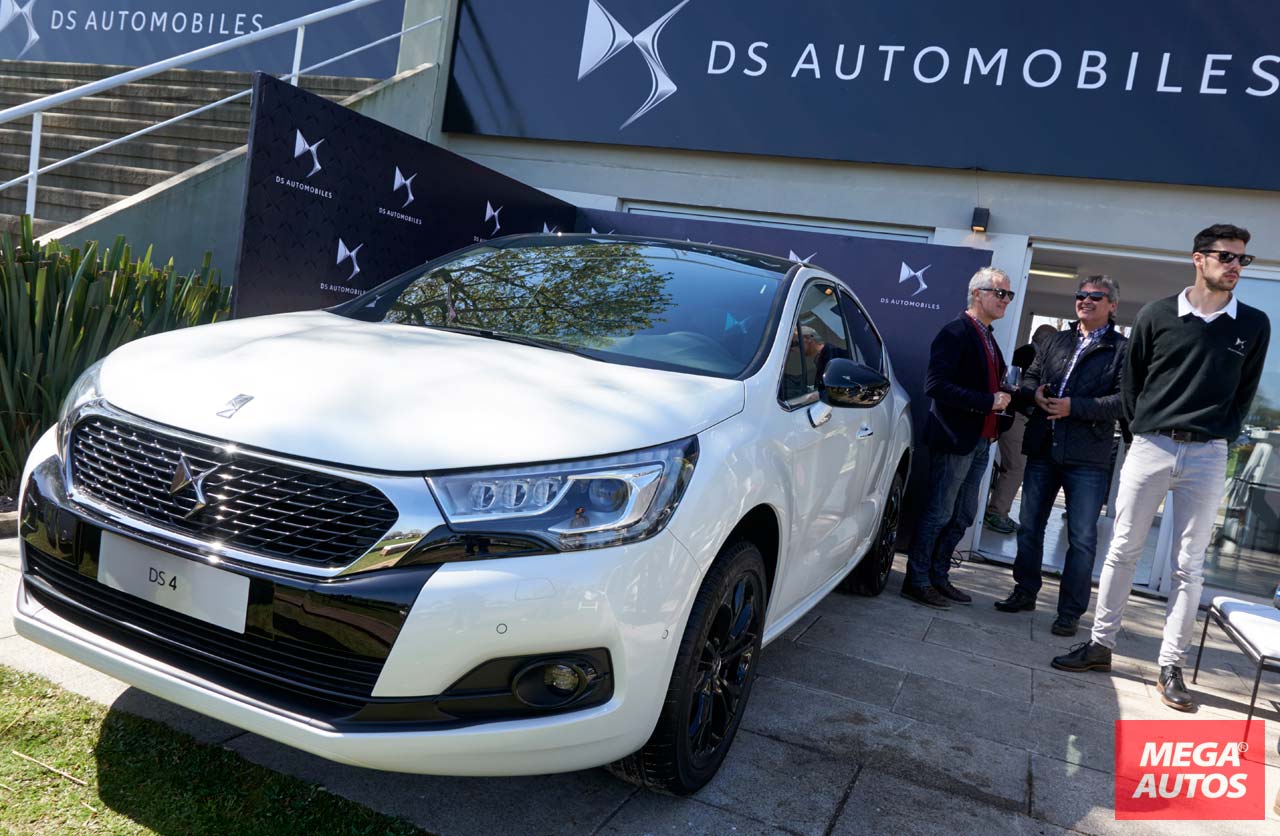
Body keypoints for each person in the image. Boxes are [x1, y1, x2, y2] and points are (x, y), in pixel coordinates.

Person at [1051, 224, 1271, 712]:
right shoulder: (1157, 315)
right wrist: (1143, 434)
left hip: (1208, 453)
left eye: (1242, 259)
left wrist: (1219, 435)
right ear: (1199, 259)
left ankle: (1171, 665)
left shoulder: (1253, 324)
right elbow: (1133, 385)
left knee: (1188, 566)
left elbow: (1244, 393)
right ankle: (1100, 644)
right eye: (1226, 257)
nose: (1235, 266)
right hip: (1151, 446)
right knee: (1122, 549)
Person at [993, 276, 1128, 637]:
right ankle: (1024, 591)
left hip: (1087, 456)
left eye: (1096, 296)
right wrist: (1034, 394)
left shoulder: (1122, 350)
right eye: (1081, 295)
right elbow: (1029, 378)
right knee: (1029, 527)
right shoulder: (1057, 340)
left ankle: (1069, 611)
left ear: (1112, 305)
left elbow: (1123, 401)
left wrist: (1074, 407)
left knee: (1081, 538)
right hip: (1043, 447)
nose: (1086, 300)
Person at [903, 267, 1014, 609]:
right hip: (955, 440)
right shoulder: (955, 332)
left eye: (1008, 295)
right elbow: (935, 386)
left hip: (981, 441)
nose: (1006, 300)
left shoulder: (988, 337)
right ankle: (916, 580)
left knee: (963, 515)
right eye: (1000, 293)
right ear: (977, 293)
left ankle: (938, 576)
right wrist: (987, 401)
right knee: (939, 513)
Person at [984, 324, 1059, 534]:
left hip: (1015, 416)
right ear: (1045, 341)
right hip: (1015, 417)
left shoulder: (1026, 354)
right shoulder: (1028, 356)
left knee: (1013, 466)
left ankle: (996, 510)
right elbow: (1019, 388)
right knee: (1016, 466)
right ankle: (996, 512)